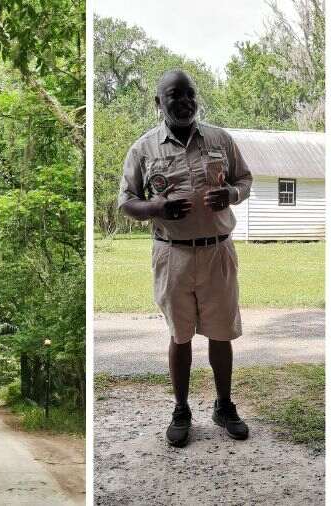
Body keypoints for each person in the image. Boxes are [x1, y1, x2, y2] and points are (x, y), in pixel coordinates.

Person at [118, 69, 253, 447]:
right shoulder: (143, 149)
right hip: (172, 254)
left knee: (221, 332)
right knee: (180, 335)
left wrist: (230, 194)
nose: (185, 102)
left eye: (190, 94)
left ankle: (224, 406)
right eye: (175, 95)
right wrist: (157, 206)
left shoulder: (220, 139)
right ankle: (181, 409)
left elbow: (244, 180)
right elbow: (126, 201)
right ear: (159, 102)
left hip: (218, 251)